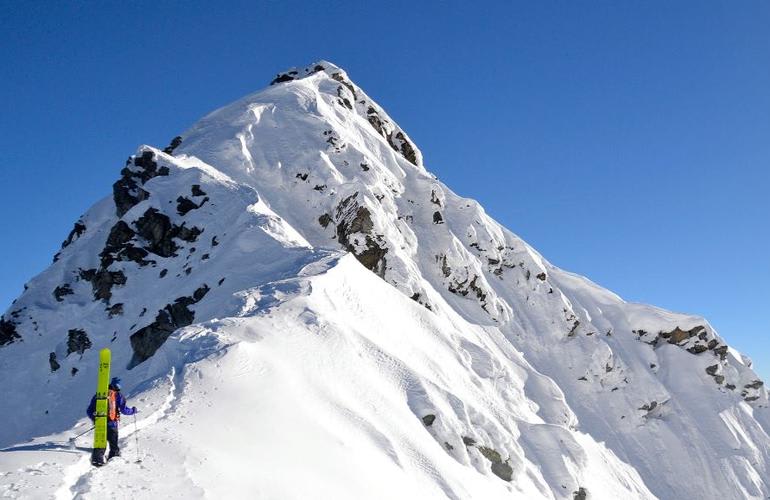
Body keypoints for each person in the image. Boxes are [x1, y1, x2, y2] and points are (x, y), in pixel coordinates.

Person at [87, 377, 137, 464]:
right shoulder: (118, 396)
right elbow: (124, 410)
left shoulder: (99, 395)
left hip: (100, 423)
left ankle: (97, 459)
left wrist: (95, 419)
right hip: (112, 424)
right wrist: (133, 411)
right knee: (113, 444)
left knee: (100, 442)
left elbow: (89, 410)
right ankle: (113, 459)